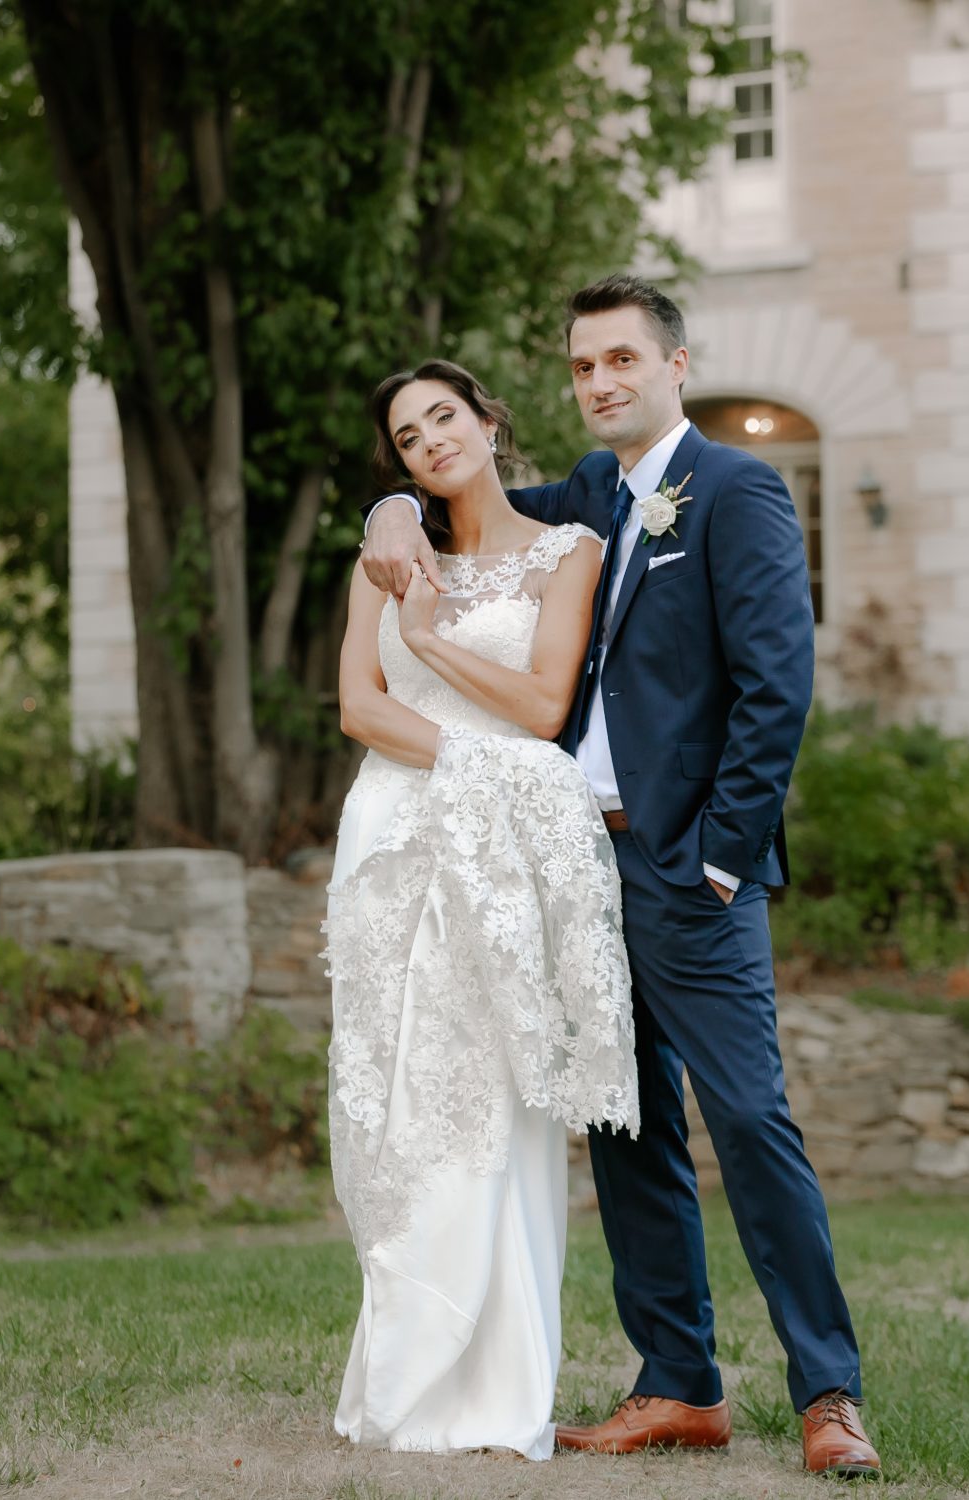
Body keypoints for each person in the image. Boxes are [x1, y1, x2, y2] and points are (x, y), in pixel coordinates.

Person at [360, 274, 882, 1479]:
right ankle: (679, 1384)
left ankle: (829, 1392)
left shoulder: (741, 492)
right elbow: (475, 509)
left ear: (675, 365)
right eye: (584, 367)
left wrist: (717, 857)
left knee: (749, 1121)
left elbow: (775, 689)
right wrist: (394, 503)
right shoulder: (594, 494)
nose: (600, 383)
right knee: (626, 1123)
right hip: (569, 861)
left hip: (685, 867)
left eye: (621, 362)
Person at [324, 359, 639, 1461]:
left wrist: (432, 637)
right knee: (401, 1096)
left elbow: (546, 706)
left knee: (497, 1099)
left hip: (501, 844)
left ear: (490, 422)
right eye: (408, 440)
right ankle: (403, 1370)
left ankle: (499, 1385)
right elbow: (361, 706)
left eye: (444, 418)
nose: (431, 443)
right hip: (395, 835)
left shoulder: (571, 553)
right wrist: (468, 756)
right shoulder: (389, 548)